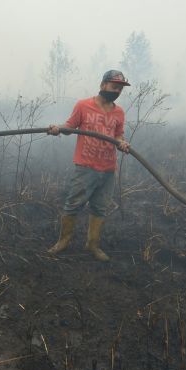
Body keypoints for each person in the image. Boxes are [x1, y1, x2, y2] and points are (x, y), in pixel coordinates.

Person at [46, 69, 131, 261]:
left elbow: (118, 134)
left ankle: (92, 245)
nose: (117, 91)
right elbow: (70, 126)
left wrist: (122, 142)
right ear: (103, 85)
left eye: (120, 88)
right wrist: (58, 129)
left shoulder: (119, 112)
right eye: (114, 86)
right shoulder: (83, 105)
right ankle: (63, 241)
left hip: (108, 168)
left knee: (100, 207)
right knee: (73, 204)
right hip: (86, 166)